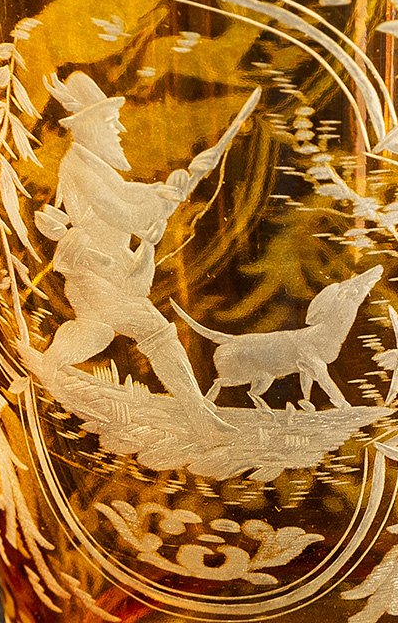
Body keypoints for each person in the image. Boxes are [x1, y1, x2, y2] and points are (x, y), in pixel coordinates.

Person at [36, 71, 258, 429]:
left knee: (95, 331)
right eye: (111, 122)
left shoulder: (93, 163)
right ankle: (199, 416)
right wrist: (161, 203)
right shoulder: (78, 167)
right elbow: (121, 213)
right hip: (94, 273)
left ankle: (45, 366)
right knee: (154, 331)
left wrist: (164, 190)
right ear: (88, 126)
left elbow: (127, 193)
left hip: (108, 272)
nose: (119, 129)